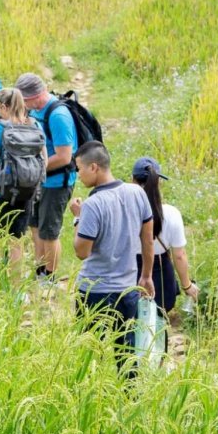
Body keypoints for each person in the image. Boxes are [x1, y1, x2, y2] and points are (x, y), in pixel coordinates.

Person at [68, 141, 155, 379]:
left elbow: (82, 252)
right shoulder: (137, 193)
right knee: (127, 356)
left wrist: (77, 218)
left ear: (93, 167)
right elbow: (148, 239)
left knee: (87, 357)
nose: (78, 175)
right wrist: (146, 276)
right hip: (128, 290)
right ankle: (129, 402)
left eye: (79, 168)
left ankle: (89, 401)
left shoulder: (93, 204)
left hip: (94, 292)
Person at [16, 73, 78, 285]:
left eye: (23, 101)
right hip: (39, 180)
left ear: (35, 96)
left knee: (49, 231)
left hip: (57, 181)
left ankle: (50, 277)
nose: (23, 106)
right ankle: (39, 269)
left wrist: (34, 167)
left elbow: (64, 156)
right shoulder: (36, 110)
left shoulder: (58, 115)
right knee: (35, 226)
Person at [131, 157, 200, 323]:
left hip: (129, 272)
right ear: (158, 182)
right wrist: (187, 285)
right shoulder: (171, 213)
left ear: (132, 180)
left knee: (132, 320)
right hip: (161, 274)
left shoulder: (124, 211)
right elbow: (179, 256)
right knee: (159, 319)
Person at [0, 86, 42, 269]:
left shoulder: (0, 127)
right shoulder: (35, 125)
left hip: (1, 193)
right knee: (16, 242)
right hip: (26, 192)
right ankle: (17, 292)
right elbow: (43, 161)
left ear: (3, 107)